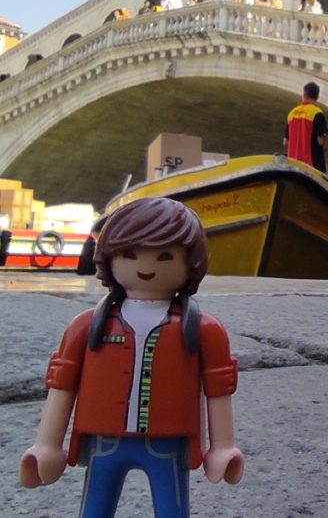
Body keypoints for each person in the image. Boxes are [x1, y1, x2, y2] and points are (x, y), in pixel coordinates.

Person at [19, 198, 243, 517]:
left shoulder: (204, 330)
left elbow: (219, 387)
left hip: (168, 445)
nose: (146, 266)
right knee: (95, 509)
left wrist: (223, 446)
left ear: (190, 262)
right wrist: (47, 444)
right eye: (129, 254)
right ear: (109, 258)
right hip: (104, 443)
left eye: (165, 256)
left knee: (172, 510)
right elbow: (63, 383)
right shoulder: (86, 326)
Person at [284, 82, 328, 172]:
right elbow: (321, 141)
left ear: (303, 95)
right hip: (311, 167)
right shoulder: (316, 113)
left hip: (293, 166)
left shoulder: (291, 114)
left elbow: (285, 142)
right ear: (317, 97)